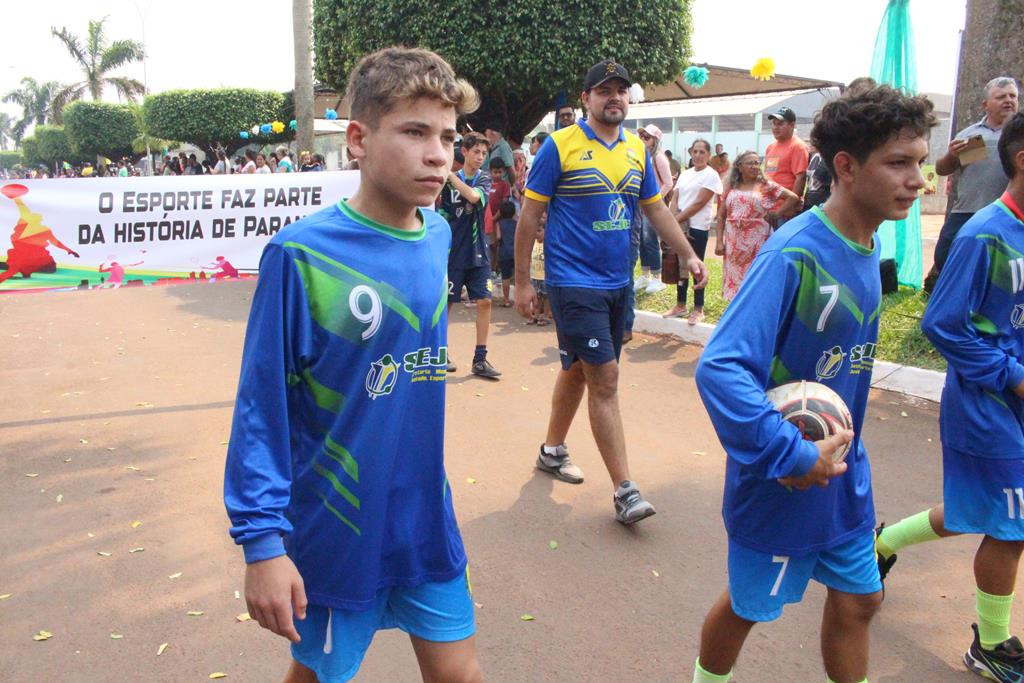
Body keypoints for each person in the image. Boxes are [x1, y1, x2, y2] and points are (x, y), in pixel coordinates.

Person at [223, 46, 483, 683]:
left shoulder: (438, 236)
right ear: (359, 140)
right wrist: (262, 545)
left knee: (461, 674)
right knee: (320, 676)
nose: (438, 154)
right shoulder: (300, 255)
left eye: (448, 136)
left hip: (425, 518)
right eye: (415, 132)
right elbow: (263, 407)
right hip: (338, 525)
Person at [691, 84, 935, 683]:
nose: (919, 181)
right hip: (783, 477)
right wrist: (788, 450)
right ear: (847, 168)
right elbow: (720, 366)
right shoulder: (794, 254)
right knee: (747, 608)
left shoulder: (868, 247)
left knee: (861, 599)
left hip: (846, 477)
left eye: (921, 163)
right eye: (900, 163)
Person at [513, 59, 707, 524]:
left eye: (621, 89)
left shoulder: (637, 150)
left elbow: (656, 209)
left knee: (581, 369)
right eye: (604, 90)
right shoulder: (559, 147)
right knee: (606, 378)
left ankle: (552, 450)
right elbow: (528, 218)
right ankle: (625, 491)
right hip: (573, 281)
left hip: (618, 282)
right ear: (586, 99)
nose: (614, 97)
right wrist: (521, 282)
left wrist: (689, 254)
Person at [874, 112, 1024, 683]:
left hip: (1015, 398)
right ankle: (990, 644)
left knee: (979, 510)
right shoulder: (985, 233)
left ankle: (882, 542)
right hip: (988, 404)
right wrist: (1011, 375)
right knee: (1013, 523)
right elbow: (943, 323)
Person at [925, 76, 1019, 292]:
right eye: (1001, 97)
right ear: (985, 104)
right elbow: (942, 169)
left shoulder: (1019, 135)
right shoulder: (972, 136)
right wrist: (951, 155)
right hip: (967, 211)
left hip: (1008, 214)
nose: (1008, 100)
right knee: (945, 255)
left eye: (1013, 96)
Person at [439, 132, 501, 379]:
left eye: (484, 154)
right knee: (447, 303)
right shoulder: (446, 185)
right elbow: (443, 211)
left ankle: (480, 358)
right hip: (454, 252)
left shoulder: (483, 179)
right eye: (476, 152)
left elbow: (475, 197)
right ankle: (440, 352)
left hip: (478, 252)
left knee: (484, 300)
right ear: (464, 151)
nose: (480, 158)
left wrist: (451, 176)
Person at [715, 151, 801, 301]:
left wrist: (777, 213)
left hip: (758, 243)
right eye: (750, 163)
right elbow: (722, 216)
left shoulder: (766, 186)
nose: (755, 166)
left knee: (756, 279)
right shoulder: (731, 187)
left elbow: (793, 198)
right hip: (734, 244)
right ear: (739, 167)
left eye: (757, 163)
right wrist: (718, 242)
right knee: (735, 283)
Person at [662, 139, 723, 325]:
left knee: (696, 267)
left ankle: (698, 308)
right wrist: (671, 221)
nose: (697, 155)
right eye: (695, 152)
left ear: (708, 155)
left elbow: (699, 203)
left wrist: (675, 221)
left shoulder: (711, 175)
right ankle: (680, 305)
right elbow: (675, 198)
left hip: (697, 227)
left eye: (702, 152)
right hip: (679, 225)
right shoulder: (685, 174)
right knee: (679, 266)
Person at [632, 124, 674, 295]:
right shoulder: (644, 156)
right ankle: (645, 274)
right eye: (642, 136)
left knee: (650, 240)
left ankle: (657, 277)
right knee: (641, 239)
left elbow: (668, 183)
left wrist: (653, 200)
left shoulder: (658, 158)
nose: (643, 140)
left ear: (655, 141)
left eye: (647, 137)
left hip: (652, 206)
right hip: (641, 205)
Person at [764, 107, 809, 222]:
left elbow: (800, 178)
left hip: (785, 212)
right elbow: (768, 176)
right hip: (769, 209)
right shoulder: (770, 147)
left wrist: (789, 207)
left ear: (792, 125)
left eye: (780, 124)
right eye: (774, 124)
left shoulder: (798, 147)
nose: (775, 128)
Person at [528, 218, 550, 326]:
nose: (537, 234)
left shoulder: (548, 243)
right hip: (535, 275)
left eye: (539, 231)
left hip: (545, 275)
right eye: (535, 231)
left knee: (546, 297)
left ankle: (545, 315)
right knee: (536, 296)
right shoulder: (534, 243)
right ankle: (536, 315)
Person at [495, 200, 517, 306]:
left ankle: (506, 300)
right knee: (517, 276)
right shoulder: (516, 223)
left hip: (504, 252)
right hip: (515, 252)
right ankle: (518, 300)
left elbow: (499, 237)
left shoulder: (499, 224)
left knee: (505, 277)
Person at [483, 121, 515, 186]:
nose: (485, 134)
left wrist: (512, 186)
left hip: (501, 188)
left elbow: (510, 169)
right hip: (490, 186)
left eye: (486, 132)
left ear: (492, 132)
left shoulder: (503, 146)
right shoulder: (491, 147)